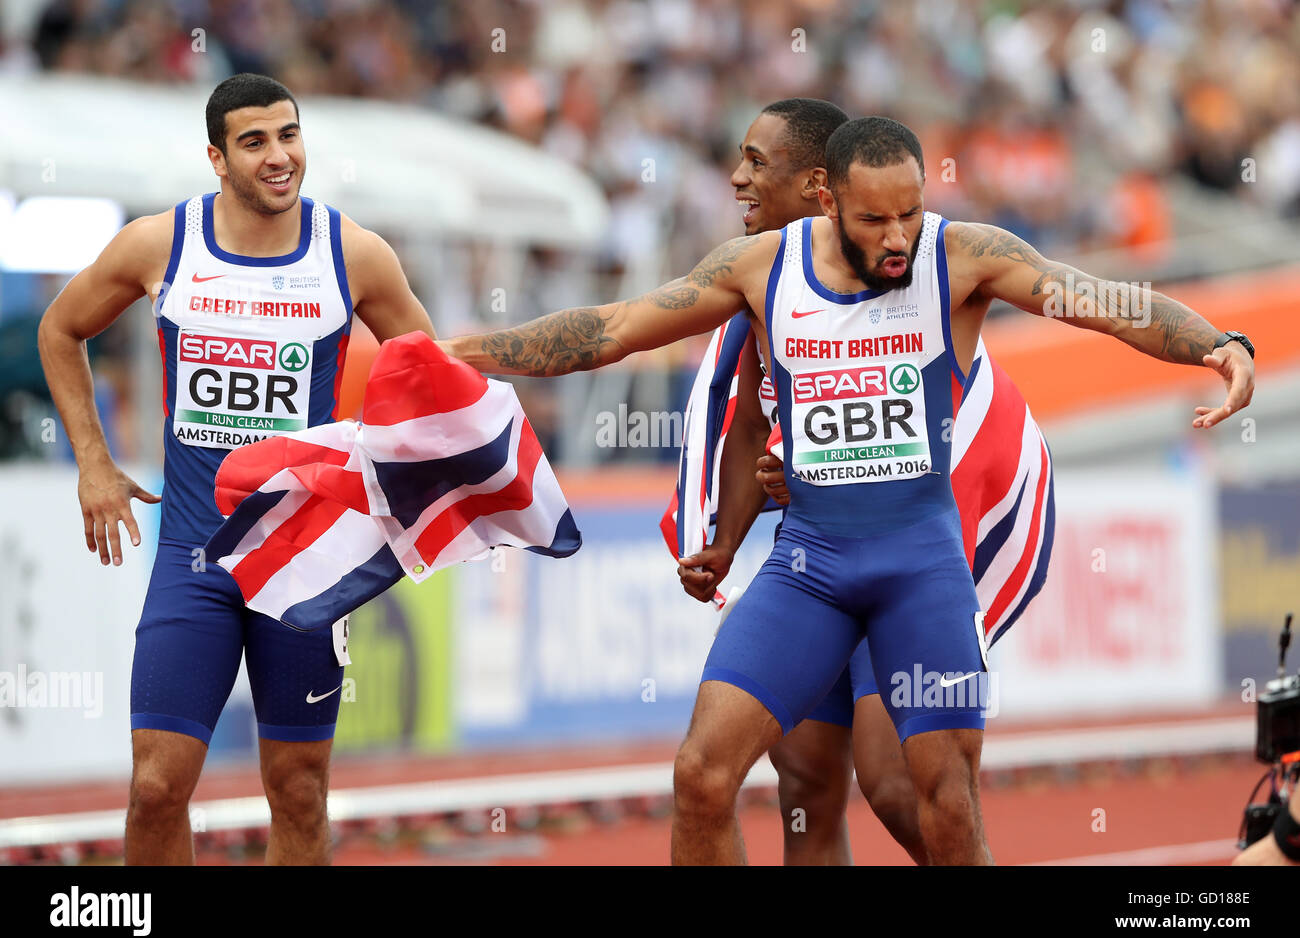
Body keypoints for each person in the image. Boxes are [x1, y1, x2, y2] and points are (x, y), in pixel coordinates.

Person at [442, 116, 1255, 865]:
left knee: (940, 806)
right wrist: (458, 353)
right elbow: (611, 331)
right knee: (700, 773)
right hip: (812, 567)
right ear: (828, 200)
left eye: (911, 212)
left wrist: (1219, 344)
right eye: (875, 220)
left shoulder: (962, 256)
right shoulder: (760, 269)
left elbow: (1108, 305)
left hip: (923, 570)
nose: (898, 237)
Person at [37, 73, 436, 865]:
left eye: (289, 135)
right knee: (156, 785)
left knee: (297, 790)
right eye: (255, 142)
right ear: (217, 158)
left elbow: (430, 374)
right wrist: (94, 462)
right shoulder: (162, 244)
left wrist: (384, 476)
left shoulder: (352, 252)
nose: (279, 156)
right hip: (196, 558)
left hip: (302, 563)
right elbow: (61, 329)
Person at [672, 99, 1053, 865]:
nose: (739, 178)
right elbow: (752, 420)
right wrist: (730, 535)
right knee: (805, 787)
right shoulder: (763, 283)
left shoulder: (923, 272)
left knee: (897, 785)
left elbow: (948, 445)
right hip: (816, 558)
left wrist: (837, 473)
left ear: (819, 186)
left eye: (756, 162)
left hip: (923, 545)